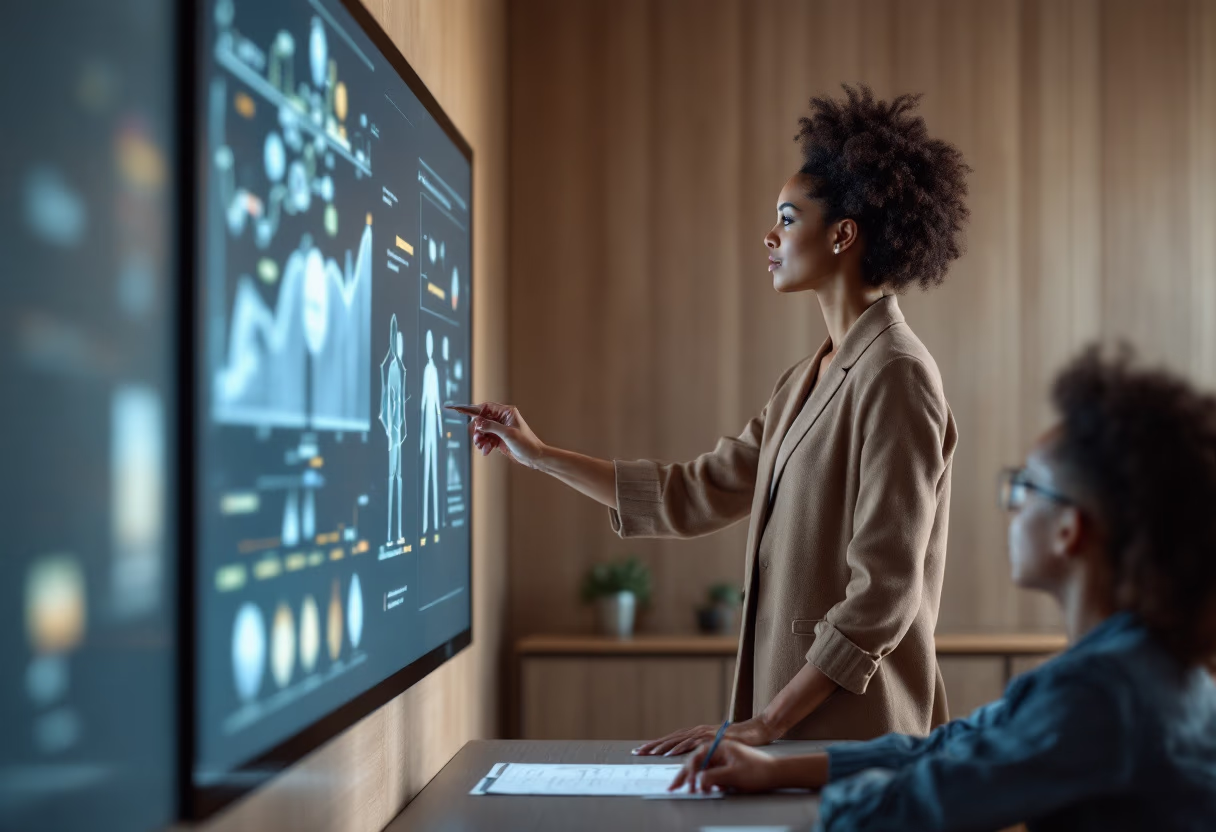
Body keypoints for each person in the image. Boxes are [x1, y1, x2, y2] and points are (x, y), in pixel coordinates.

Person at [467, 85, 970, 752]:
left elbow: (885, 592)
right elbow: (693, 493)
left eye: (788, 219)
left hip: (857, 739)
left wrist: (767, 723)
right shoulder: (803, 382)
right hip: (792, 732)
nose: (770, 236)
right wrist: (539, 454)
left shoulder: (898, 374)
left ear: (844, 235)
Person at [670, 347, 1216, 830]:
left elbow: (920, 803)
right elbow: (949, 747)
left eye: (1024, 486)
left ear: (1070, 530)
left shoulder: (1098, 696)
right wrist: (776, 771)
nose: (1014, 506)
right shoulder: (1141, 666)